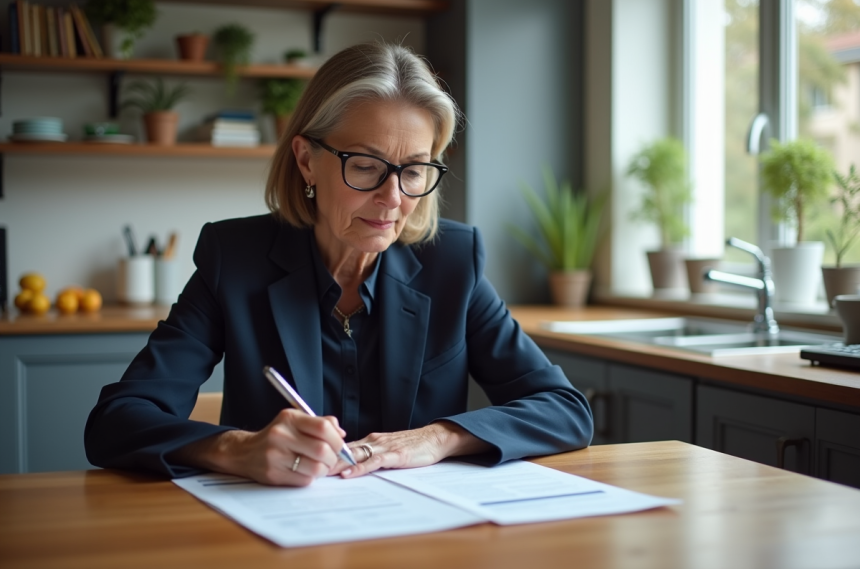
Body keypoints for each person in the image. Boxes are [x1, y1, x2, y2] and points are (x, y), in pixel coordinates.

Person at [84, 41, 593, 486]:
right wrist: (235, 448)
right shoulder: (233, 260)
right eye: (366, 166)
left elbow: (565, 410)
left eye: (413, 170)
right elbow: (116, 421)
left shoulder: (452, 263)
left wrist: (439, 438)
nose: (392, 198)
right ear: (307, 159)